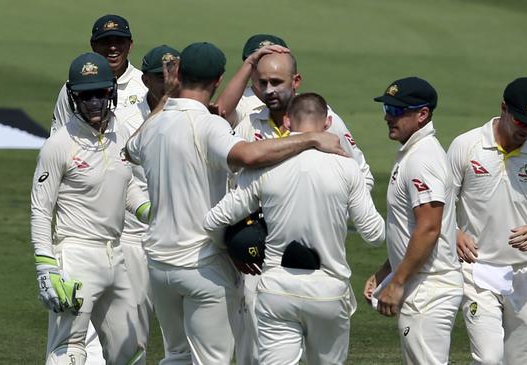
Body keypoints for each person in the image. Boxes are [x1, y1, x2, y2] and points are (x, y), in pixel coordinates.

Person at [125, 42, 346, 364]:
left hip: (159, 265)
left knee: (176, 356)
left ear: (179, 76)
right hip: (201, 263)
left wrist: (165, 99)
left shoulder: (153, 124)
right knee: (212, 360)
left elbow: (130, 149)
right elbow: (248, 154)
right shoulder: (209, 125)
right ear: (217, 81)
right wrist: (311, 138)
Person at [203, 92, 385, 364]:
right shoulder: (348, 168)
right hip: (328, 292)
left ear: (287, 121)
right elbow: (374, 235)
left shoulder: (264, 168)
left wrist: (232, 248)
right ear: (328, 123)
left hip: (276, 291)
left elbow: (213, 221)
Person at [31, 52, 148, 365]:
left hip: (115, 255)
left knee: (130, 352)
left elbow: (128, 184)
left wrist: (149, 211)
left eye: (100, 93)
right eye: (86, 95)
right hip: (76, 257)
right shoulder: (59, 144)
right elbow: (41, 209)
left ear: (111, 92)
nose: (94, 102)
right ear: (73, 97)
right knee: (68, 350)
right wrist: (46, 266)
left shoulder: (119, 132)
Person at [447, 77, 527, 364]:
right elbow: (442, 202)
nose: (526, 130)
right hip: (477, 271)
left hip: (524, 274)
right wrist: (453, 231)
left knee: (521, 360)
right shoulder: (467, 145)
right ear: (503, 108)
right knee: (490, 359)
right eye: (520, 121)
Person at [364, 77, 463, 364]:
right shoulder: (412, 152)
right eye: (387, 108)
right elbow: (407, 228)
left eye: (397, 111)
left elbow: (429, 228)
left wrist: (398, 283)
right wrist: (387, 272)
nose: (387, 117)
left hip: (429, 288)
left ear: (422, 115)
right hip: (421, 282)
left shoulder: (423, 159)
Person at [216, 36, 374, 190]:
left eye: (276, 82)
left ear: (296, 81)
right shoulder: (252, 122)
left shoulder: (321, 117)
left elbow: (362, 176)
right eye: (264, 83)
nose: (269, 90)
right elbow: (228, 170)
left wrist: (333, 210)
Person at [114, 44, 182, 357]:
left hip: (181, 239)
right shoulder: (126, 118)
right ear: (146, 81)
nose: (170, 81)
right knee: (132, 338)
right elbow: (125, 160)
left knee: (182, 339)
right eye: (161, 76)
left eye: (176, 73)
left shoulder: (196, 115)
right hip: (135, 237)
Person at [51, 14, 147, 134]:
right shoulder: (75, 87)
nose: (113, 47)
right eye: (106, 42)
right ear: (93, 46)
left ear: (130, 45)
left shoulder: (145, 84)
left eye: (119, 41)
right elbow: (58, 134)